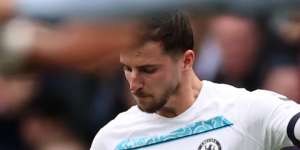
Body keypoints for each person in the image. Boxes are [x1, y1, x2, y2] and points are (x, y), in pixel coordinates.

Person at [90, 11, 300, 150]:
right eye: (127, 69)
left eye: (148, 70)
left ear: (187, 60)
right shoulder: (112, 140)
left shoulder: (246, 111)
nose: (134, 84)